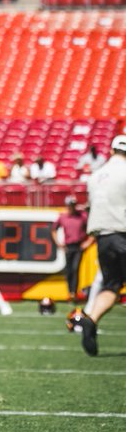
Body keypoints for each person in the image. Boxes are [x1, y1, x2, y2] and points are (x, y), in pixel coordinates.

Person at [80, 134, 126, 356]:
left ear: (110, 151)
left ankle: (92, 319)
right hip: (123, 232)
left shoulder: (95, 176)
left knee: (111, 286)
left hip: (104, 236)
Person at [51, 196, 91, 304]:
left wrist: (88, 242)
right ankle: (70, 293)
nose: (71, 207)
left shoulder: (83, 216)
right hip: (68, 246)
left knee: (75, 269)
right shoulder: (63, 217)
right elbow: (54, 230)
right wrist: (58, 243)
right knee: (68, 270)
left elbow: (92, 230)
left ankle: (74, 292)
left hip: (78, 246)